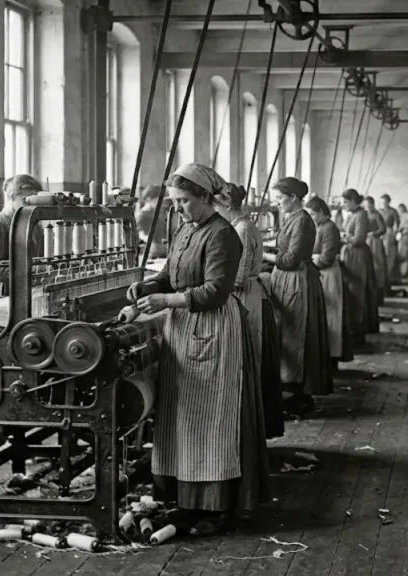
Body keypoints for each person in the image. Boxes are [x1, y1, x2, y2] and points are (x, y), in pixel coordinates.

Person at [127, 163, 269, 535]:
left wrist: (166, 300)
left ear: (206, 198)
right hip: (182, 328)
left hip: (212, 330)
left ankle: (215, 506)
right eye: (174, 202)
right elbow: (169, 274)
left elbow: (214, 291)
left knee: (210, 421)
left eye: (185, 201)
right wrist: (144, 287)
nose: (178, 208)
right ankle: (185, 501)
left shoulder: (223, 234)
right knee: (183, 419)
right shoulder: (185, 229)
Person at [215, 182, 284, 440]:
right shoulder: (241, 226)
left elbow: (239, 278)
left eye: (215, 206)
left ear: (227, 205)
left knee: (248, 359)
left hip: (245, 298)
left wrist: (207, 285)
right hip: (248, 295)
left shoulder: (242, 230)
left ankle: (247, 428)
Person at [264, 177, 333, 416]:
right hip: (287, 278)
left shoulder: (302, 221)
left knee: (297, 334)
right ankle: (292, 390)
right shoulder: (292, 219)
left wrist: (263, 254)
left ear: (293, 198)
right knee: (289, 332)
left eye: (280, 198)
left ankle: (299, 395)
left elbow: (290, 260)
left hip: (297, 280)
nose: (278, 203)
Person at [306, 196, 354, 363]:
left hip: (328, 275)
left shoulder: (329, 228)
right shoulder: (320, 227)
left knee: (332, 315)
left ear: (321, 212)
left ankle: (332, 355)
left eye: (312, 214)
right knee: (326, 314)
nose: (311, 217)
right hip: (321, 273)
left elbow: (326, 258)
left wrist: (307, 259)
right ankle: (326, 354)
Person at [0, 174, 42, 299]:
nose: (32, 205)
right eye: (27, 200)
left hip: (26, 291)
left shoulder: (35, 226)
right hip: (1, 293)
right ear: (12, 196)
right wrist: (34, 271)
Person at [340, 189, 380, 339]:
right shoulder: (352, 215)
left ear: (353, 201)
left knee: (358, 289)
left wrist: (344, 237)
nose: (343, 205)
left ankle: (360, 328)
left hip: (358, 256)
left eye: (345, 202)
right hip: (351, 254)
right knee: (352, 289)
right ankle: (355, 326)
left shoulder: (362, 215)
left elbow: (359, 239)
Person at [136, 184, 174, 260]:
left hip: (164, 251)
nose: (161, 203)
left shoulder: (160, 213)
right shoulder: (142, 215)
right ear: (148, 199)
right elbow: (140, 233)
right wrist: (152, 243)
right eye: (158, 200)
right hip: (152, 253)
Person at [363, 196, 389, 302]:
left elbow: (383, 229)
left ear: (373, 204)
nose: (368, 206)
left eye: (369, 204)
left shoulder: (377, 215)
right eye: (366, 204)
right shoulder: (364, 215)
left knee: (377, 265)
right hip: (366, 241)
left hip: (375, 242)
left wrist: (373, 233)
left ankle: (379, 294)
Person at [379, 195, 401, 287]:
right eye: (382, 202)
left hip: (389, 233)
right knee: (380, 254)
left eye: (385, 201)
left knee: (389, 255)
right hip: (380, 233)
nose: (384, 203)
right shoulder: (379, 211)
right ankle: (381, 277)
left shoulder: (393, 211)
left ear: (389, 201)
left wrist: (395, 235)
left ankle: (390, 277)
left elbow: (396, 224)